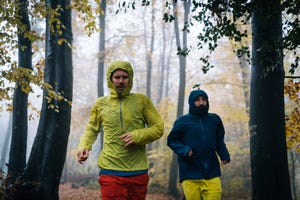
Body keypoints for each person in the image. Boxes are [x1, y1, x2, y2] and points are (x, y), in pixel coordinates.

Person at [77, 60, 164, 200]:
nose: (121, 81)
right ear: (110, 79)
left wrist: (138, 135)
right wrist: (84, 146)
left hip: (138, 171)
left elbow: (158, 128)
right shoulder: (101, 104)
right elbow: (92, 129)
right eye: (117, 77)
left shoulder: (142, 101)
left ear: (130, 79)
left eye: (125, 77)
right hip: (110, 171)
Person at [167, 89, 230, 200]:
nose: (201, 103)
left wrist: (224, 154)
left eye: (203, 100)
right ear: (191, 102)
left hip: (212, 172)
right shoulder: (182, 121)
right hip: (190, 173)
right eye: (197, 100)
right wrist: (185, 150)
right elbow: (172, 140)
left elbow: (219, 140)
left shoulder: (214, 119)